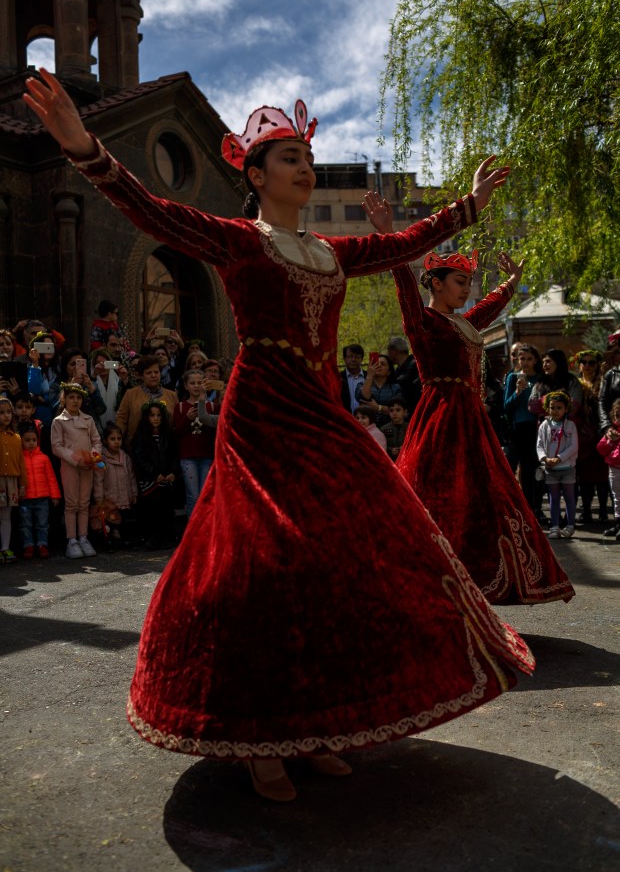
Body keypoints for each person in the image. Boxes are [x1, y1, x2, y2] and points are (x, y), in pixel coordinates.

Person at [24, 70, 534, 804]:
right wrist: (83, 148)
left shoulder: (331, 251)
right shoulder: (237, 242)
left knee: (358, 549)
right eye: (288, 156)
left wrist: (469, 207)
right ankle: (259, 736)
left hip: (324, 419)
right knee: (261, 565)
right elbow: (154, 211)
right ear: (255, 174)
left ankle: (319, 722)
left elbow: (407, 245)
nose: (304, 166)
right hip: (263, 417)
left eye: (306, 155)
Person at [370, 201, 574, 603]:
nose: (466, 288)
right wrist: (390, 237)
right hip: (442, 418)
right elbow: (405, 289)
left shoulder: (463, 321)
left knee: (486, 497)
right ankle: (436, 584)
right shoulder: (424, 321)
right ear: (436, 284)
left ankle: (476, 584)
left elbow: (487, 308)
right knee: (443, 496)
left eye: (467, 281)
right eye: (460, 281)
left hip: (470, 418)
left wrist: (512, 284)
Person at [51, 382, 102, 559]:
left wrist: (94, 455)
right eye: (71, 397)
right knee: (72, 503)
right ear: (63, 399)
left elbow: (96, 440)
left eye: (78, 397)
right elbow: (56, 447)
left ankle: (83, 537)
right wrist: (75, 459)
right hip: (70, 466)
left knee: (84, 502)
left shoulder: (88, 420)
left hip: (88, 466)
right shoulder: (59, 421)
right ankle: (71, 540)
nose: (75, 401)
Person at [503, 344, 545, 516]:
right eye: (522, 359)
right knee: (518, 469)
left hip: (537, 427)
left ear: (535, 360)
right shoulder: (513, 378)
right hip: (519, 428)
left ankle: (537, 506)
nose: (526, 363)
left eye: (529, 359)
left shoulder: (541, 378)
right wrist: (517, 392)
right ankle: (523, 507)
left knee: (535, 468)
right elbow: (506, 406)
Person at [132, 402, 179, 550]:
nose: (156, 418)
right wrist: (154, 474)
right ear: (146, 417)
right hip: (150, 481)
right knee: (151, 511)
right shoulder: (141, 436)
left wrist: (173, 472)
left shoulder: (168, 435)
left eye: (159, 415)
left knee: (166, 509)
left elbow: (174, 455)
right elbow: (139, 458)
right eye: (152, 415)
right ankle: (151, 538)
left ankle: (166, 538)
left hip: (166, 479)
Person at [571, 349, 610, 524]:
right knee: (584, 476)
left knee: (602, 475)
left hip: (600, 432)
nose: (587, 366)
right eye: (584, 362)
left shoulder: (603, 382)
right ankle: (586, 510)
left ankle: (603, 511)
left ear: (597, 365)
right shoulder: (576, 384)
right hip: (582, 435)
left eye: (591, 362)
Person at [173, 370, 216, 518]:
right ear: (186, 386)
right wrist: (187, 419)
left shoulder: (211, 406)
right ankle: (192, 530)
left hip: (206, 455)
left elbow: (214, 431)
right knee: (192, 496)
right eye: (192, 383)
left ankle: (205, 527)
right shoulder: (179, 407)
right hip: (188, 457)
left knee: (205, 495)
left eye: (200, 383)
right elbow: (176, 433)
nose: (196, 386)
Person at [536, 392, 579, 539]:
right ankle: (554, 526)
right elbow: (539, 444)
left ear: (566, 409)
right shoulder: (544, 425)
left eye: (559, 407)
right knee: (553, 498)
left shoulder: (570, 425)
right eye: (552, 407)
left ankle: (570, 525)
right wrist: (544, 458)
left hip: (567, 468)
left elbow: (574, 447)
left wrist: (560, 458)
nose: (555, 411)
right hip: (550, 468)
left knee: (569, 497)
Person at [18, 421, 61, 558]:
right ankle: (28, 546)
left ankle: (42, 544)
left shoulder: (44, 458)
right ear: (21, 441)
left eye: (34, 440)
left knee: (42, 524)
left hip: (42, 498)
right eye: (27, 440)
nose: (31, 443)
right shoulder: (19, 459)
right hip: (25, 499)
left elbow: (51, 478)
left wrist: (55, 495)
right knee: (25, 524)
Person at [115, 355, 178, 449]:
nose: (153, 375)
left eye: (156, 372)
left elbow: (176, 423)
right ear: (141, 375)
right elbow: (121, 420)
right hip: (136, 449)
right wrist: (117, 441)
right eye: (149, 373)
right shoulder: (130, 394)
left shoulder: (172, 396)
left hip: (165, 450)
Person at [93, 422, 138, 549]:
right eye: (112, 439)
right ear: (105, 441)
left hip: (124, 497)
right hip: (110, 500)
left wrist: (134, 493)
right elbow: (98, 480)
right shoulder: (102, 460)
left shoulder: (125, 458)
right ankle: (110, 541)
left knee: (123, 521)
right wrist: (99, 498)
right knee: (111, 521)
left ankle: (124, 540)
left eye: (119, 439)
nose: (116, 442)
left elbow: (131, 477)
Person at [0, 396, 27, 562]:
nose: (6, 416)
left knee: (6, 516)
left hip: (10, 482)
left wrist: (22, 484)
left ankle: (5, 548)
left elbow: (21, 463)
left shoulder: (16, 437)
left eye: (9, 412)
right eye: (1, 412)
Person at [528, 349, 582, 419]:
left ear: (558, 362)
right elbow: (531, 406)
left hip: (567, 425)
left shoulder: (571, 382)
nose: (544, 365)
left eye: (548, 361)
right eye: (543, 362)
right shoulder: (540, 383)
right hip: (545, 424)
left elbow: (574, 406)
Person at [355, 354, 402, 428]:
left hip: (391, 428)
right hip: (367, 429)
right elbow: (364, 397)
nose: (379, 366)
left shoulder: (395, 387)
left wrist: (378, 407)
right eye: (376, 363)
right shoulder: (361, 385)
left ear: (389, 371)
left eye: (382, 364)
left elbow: (400, 410)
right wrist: (370, 375)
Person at [597, 399, 620, 540]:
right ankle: (618, 523)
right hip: (614, 468)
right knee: (616, 497)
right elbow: (601, 449)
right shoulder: (612, 431)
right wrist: (610, 440)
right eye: (617, 416)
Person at [386, 336, 421, 417]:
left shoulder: (415, 364)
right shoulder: (397, 370)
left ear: (395, 351)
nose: (387, 355)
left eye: (388, 351)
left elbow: (402, 382)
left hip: (414, 411)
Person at [381, 396, 410, 460]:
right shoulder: (383, 429)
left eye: (398, 410)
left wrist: (405, 447)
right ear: (388, 413)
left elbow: (415, 443)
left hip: (406, 459)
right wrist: (390, 450)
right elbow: (380, 445)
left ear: (405, 412)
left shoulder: (410, 428)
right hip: (389, 461)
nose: (394, 413)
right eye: (391, 410)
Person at [340, 344, 365, 413]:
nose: (353, 360)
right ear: (345, 359)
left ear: (362, 359)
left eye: (357, 357)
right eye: (350, 356)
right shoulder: (337, 378)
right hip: (344, 419)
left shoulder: (369, 377)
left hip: (365, 421)